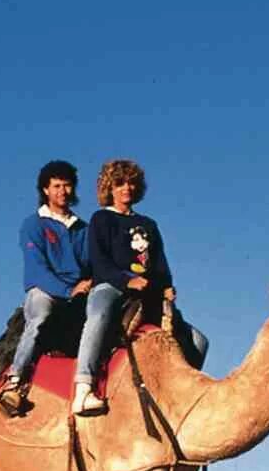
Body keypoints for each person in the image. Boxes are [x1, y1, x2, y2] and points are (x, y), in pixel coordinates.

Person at [74, 158, 209, 418]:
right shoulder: (101, 219)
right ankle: (83, 387)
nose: (127, 188)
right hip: (111, 286)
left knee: (198, 341)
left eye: (131, 183)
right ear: (109, 188)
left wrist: (167, 286)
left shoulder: (149, 225)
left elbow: (159, 263)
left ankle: (181, 396)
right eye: (120, 183)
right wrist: (126, 280)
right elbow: (99, 262)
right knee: (99, 315)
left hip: (148, 292)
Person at [0, 160, 90, 416]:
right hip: (47, 289)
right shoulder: (34, 225)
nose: (62, 191)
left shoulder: (82, 229)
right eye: (56, 185)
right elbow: (37, 269)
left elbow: (91, 262)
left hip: (80, 290)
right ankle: (15, 380)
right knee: (41, 313)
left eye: (67, 185)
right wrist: (68, 290)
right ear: (46, 190)